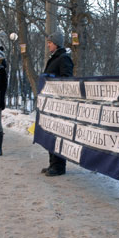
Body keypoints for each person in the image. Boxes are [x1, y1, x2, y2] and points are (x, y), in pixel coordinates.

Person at [40, 31, 74, 176]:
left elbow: (68, 80)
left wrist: (55, 80)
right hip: (51, 102)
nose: (48, 45)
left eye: (50, 43)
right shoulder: (55, 57)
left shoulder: (64, 58)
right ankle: (52, 163)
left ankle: (59, 166)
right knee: (50, 133)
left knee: (58, 135)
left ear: (56, 43)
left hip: (59, 103)